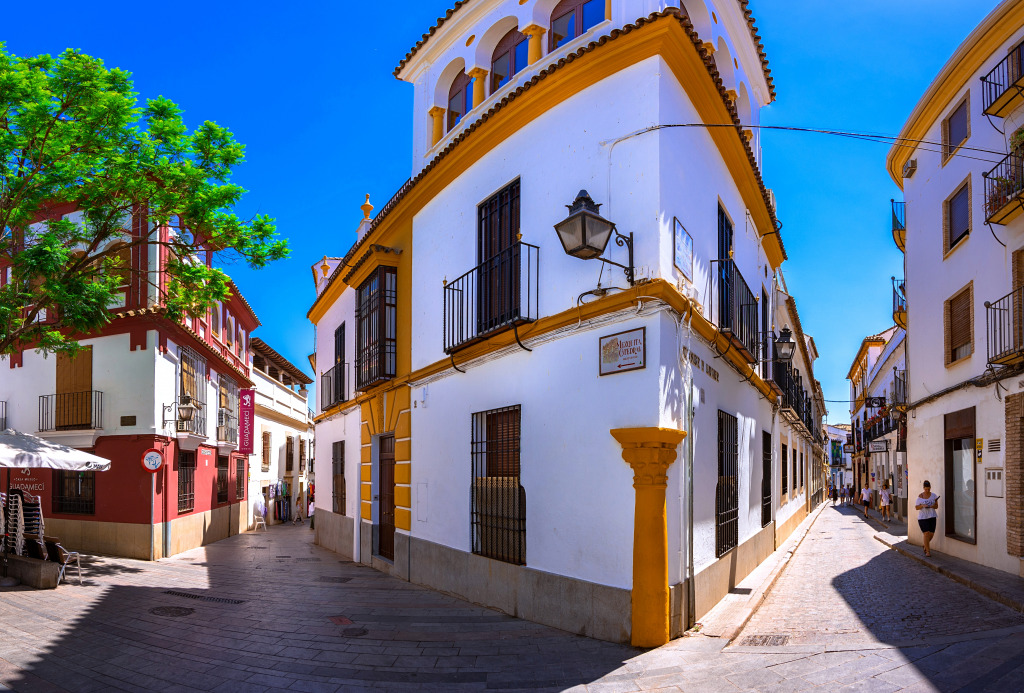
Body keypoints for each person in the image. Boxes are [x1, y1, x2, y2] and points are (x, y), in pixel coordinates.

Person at [915, 480, 940, 557]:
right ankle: (928, 551)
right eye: (926, 489)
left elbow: (936, 506)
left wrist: (932, 506)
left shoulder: (934, 496)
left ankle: (925, 545)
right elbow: (916, 507)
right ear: (923, 488)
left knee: (931, 534)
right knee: (926, 533)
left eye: (928, 489)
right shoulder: (920, 496)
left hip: (932, 516)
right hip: (923, 517)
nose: (927, 490)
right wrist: (922, 505)